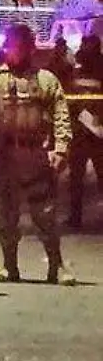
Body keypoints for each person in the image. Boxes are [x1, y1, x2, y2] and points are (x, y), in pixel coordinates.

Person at [0, 23, 76, 285]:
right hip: (4, 155)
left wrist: (61, 148)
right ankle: (9, 266)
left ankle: (57, 265)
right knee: (7, 216)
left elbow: (61, 115)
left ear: (31, 48)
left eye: (22, 45)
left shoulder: (45, 80)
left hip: (36, 155)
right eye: (12, 45)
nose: (16, 50)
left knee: (45, 215)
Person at [67, 35, 103, 228]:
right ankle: (75, 217)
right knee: (75, 178)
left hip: (98, 133)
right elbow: (69, 99)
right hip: (80, 132)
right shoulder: (75, 73)